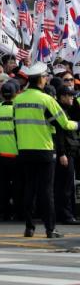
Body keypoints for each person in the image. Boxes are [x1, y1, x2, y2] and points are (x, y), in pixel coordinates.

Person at [14, 62, 79, 238]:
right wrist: (78, 125)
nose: (46, 79)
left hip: (25, 149)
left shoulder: (18, 99)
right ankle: (50, 229)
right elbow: (64, 124)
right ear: (41, 79)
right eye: (45, 77)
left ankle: (29, 227)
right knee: (46, 190)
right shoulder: (46, 99)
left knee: (29, 188)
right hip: (44, 149)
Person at [0, 81, 22, 222]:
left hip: (0, 154)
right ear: (16, 94)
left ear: (1, 94)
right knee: (19, 185)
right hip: (16, 154)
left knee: (3, 185)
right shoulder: (18, 110)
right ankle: (19, 213)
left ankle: (3, 213)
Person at [55, 85, 80, 225]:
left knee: (67, 185)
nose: (72, 98)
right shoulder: (60, 111)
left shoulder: (67, 109)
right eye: (69, 95)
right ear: (62, 97)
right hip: (65, 153)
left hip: (69, 152)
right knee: (65, 186)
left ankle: (68, 214)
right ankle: (66, 216)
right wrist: (62, 153)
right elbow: (59, 134)